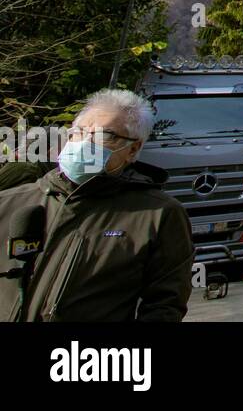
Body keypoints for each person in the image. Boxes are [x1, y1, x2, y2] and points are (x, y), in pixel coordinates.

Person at [0, 89, 193, 321]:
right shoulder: (11, 201)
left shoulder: (158, 214)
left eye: (105, 135)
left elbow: (165, 305)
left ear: (133, 149)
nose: (85, 143)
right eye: (79, 132)